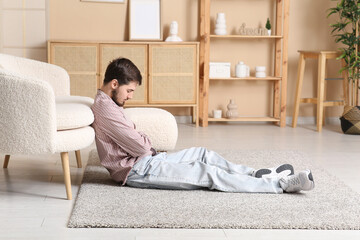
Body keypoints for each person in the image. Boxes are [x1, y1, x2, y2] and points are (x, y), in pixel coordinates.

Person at [91, 58, 315, 194]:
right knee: (208, 174)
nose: (130, 96)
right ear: (114, 84)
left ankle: (255, 174)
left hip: (149, 160)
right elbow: (140, 147)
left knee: (202, 153)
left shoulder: (110, 102)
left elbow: (137, 141)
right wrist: (144, 141)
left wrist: (143, 141)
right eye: (129, 90)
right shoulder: (105, 109)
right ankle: (280, 185)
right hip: (137, 171)